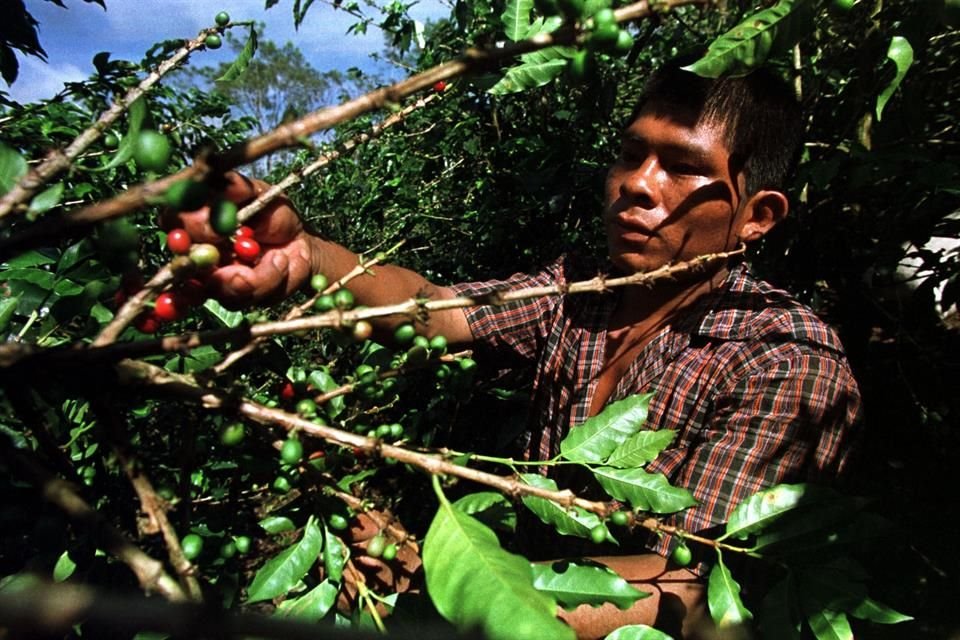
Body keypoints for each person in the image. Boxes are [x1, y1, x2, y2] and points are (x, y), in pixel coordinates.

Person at [172, 59, 862, 638]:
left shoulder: (786, 360)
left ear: (757, 215)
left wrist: (470, 597)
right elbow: (440, 312)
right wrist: (312, 255)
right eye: (630, 155)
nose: (637, 185)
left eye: (681, 167)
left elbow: (700, 581)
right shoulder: (581, 291)